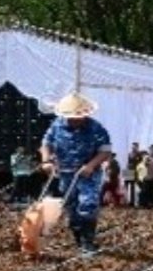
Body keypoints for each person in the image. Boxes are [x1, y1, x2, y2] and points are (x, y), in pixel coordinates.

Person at [39, 92, 112, 253]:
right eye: (72, 117)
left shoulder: (96, 128)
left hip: (88, 173)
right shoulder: (56, 126)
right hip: (66, 172)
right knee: (71, 206)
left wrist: (91, 165)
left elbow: (105, 151)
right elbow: (46, 144)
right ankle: (78, 238)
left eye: (79, 116)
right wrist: (46, 161)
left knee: (88, 204)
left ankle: (88, 242)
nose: (76, 120)